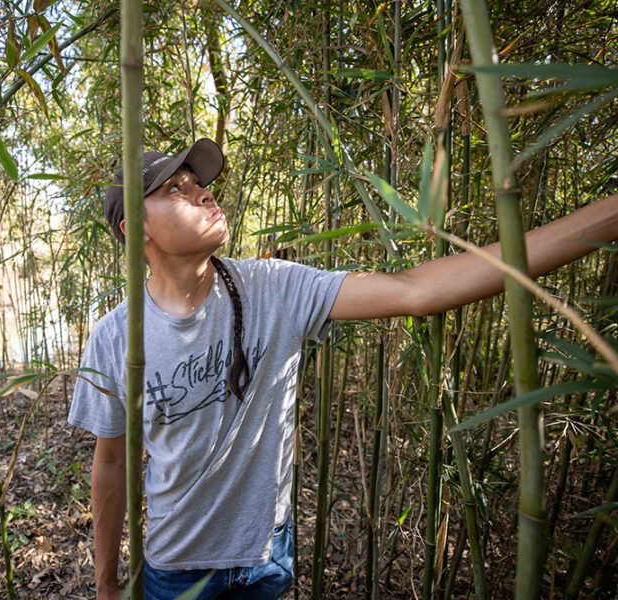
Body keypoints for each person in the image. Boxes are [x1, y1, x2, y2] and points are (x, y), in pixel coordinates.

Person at [68, 138, 618, 600]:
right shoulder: (117, 338)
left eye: (198, 181)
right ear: (132, 230)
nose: (203, 191)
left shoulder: (272, 287)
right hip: (175, 568)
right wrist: (106, 584)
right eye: (175, 189)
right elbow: (111, 462)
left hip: (265, 557)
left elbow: (417, 290)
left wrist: (607, 215)